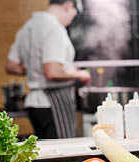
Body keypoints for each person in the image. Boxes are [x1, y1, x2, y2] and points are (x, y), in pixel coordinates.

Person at [5, 0, 90, 139]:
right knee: (63, 152)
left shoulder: (27, 27)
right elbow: (52, 71)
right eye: (73, 15)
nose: (71, 20)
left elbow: (11, 65)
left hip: (34, 104)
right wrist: (79, 74)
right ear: (68, 6)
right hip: (53, 102)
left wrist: (35, 68)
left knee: (45, 152)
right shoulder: (54, 28)